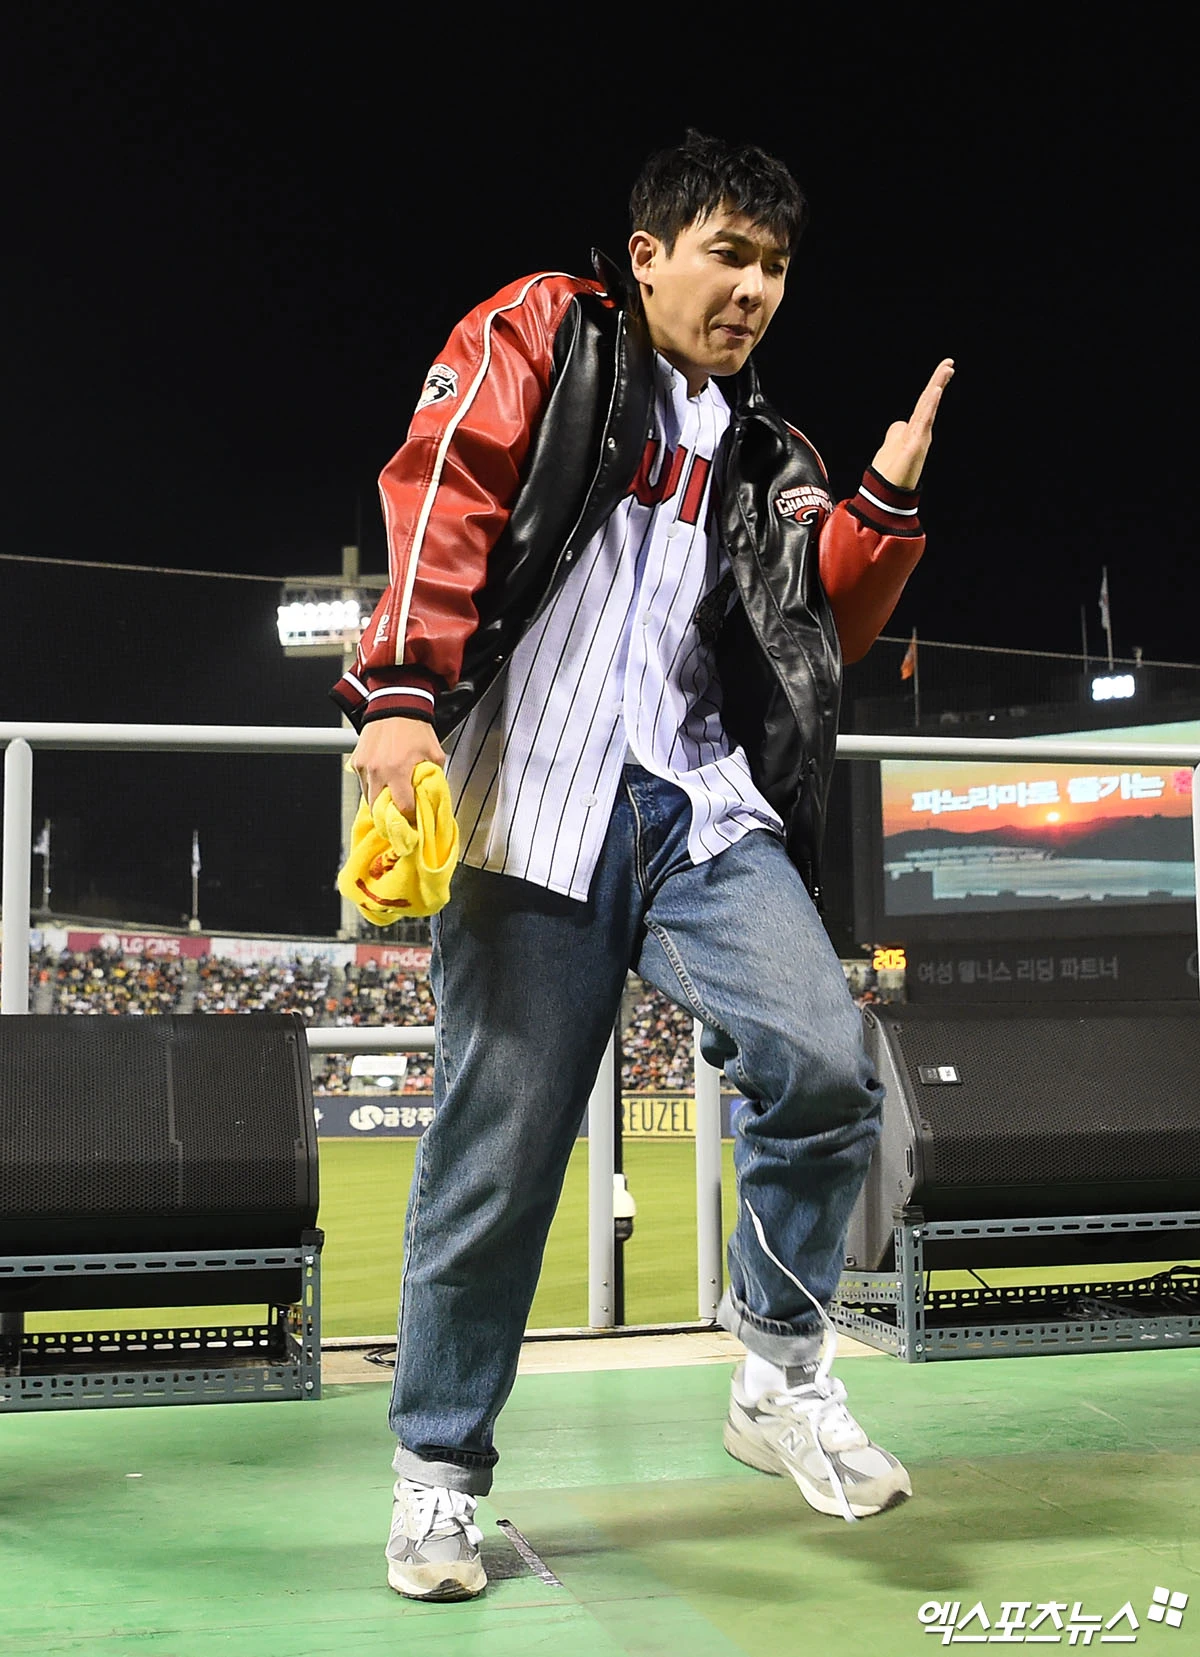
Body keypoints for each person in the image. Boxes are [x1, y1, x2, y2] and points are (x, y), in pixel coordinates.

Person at [334, 130, 953, 1601]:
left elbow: (813, 632)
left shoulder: (773, 454)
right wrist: (403, 695)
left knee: (823, 1063)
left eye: (777, 267)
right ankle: (437, 1477)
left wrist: (878, 505)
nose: (755, 289)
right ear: (650, 255)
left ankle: (778, 1373)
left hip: (697, 806)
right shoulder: (550, 334)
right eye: (729, 254)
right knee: (498, 1161)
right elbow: (446, 484)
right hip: (532, 804)